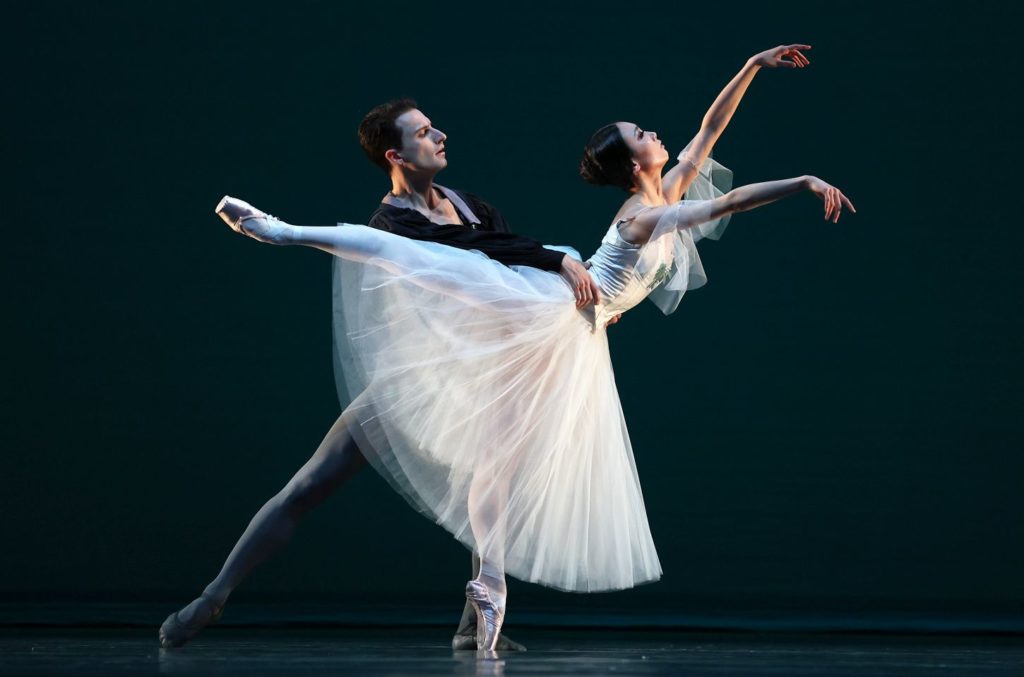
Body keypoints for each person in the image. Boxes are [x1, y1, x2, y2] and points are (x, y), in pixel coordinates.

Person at [213, 44, 854, 652]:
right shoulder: (640, 214)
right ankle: (282, 230)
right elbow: (732, 202)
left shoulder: (667, 188)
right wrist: (800, 181)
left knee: (500, 463)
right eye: (644, 136)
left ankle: (481, 603)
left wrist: (752, 66)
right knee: (417, 272)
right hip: (543, 311)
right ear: (635, 164)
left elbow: (711, 129)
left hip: (572, 322)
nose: (658, 137)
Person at [158, 100, 604, 651]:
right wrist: (557, 259)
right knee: (311, 483)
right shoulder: (392, 224)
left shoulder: (470, 204)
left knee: (493, 488)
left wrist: (572, 291)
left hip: (478, 373)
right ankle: (213, 596)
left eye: (433, 127)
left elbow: (505, 274)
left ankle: (474, 624)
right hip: (418, 381)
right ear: (396, 154)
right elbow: (471, 252)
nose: (439, 135)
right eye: (423, 132)